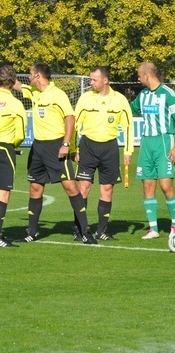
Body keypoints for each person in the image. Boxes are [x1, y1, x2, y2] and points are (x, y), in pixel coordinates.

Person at [14, 63, 96, 244]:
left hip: (56, 147)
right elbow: (15, 84)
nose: (28, 77)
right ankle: (31, 232)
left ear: (38, 76)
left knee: (71, 187)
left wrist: (66, 144)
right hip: (37, 148)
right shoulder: (34, 92)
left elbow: (70, 118)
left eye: (30, 74)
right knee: (35, 188)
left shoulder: (58, 94)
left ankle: (84, 231)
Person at [74, 66, 134, 240]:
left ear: (105, 80)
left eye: (94, 80)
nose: (91, 83)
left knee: (107, 189)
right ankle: (80, 229)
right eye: (90, 79)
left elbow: (128, 127)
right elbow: (75, 124)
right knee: (83, 188)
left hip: (109, 149)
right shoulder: (85, 99)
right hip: (88, 147)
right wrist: (73, 149)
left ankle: (102, 231)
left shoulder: (120, 100)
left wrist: (128, 150)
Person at [130, 62, 175, 239]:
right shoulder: (143, 95)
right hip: (146, 143)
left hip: (164, 141)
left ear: (147, 75)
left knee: (165, 185)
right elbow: (130, 109)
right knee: (147, 184)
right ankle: (153, 228)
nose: (138, 79)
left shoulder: (168, 93)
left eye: (139, 76)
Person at [0, 65, 27, 247]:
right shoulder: (16, 104)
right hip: (4, 148)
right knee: (3, 192)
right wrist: (13, 144)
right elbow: (20, 134)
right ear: (13, 81)